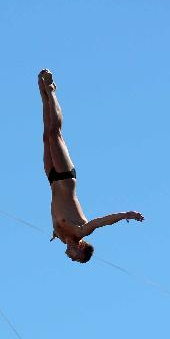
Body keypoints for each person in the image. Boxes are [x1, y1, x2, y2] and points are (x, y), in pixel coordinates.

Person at [38, 69, 144, 264]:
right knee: (55, 134)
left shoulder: (62, 238)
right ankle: (52, 91)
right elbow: (103, 221)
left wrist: (56, 230)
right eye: (75, 257)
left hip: (52, 179)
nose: (69, 256)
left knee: (46, 137)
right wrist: (126, 215)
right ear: (81, 247)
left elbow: (58, 216)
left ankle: (44, 97)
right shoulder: (81, 230)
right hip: (65, 176)